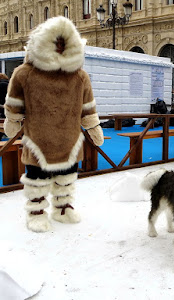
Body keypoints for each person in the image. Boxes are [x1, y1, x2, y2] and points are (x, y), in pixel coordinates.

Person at [4, 16, 104, 232]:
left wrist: (93, 126)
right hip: (38, 140)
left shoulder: (80, 76)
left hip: (69, 140)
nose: (60, 46)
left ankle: (63, 208)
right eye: (55, 42)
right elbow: (15, 104)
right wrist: (12, 121)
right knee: (37, 179)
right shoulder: (25, 74)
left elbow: (88, 107)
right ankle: (36, 212)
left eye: (64, 42)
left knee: (67, 177)